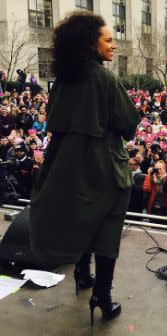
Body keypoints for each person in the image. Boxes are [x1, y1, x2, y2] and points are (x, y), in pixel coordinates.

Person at [29, 12, 139, 325]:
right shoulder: (106, 79)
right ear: (92, 44)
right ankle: (102, 297)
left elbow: (54, 119)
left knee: (81, 218)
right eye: (108, 39)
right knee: (107, 231)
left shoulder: (63, 79)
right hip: (104, 167)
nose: (114, 45)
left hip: (66, 166)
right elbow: (128, 124)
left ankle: (81, 273)